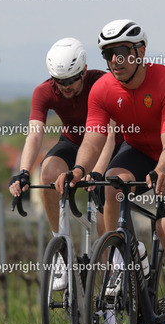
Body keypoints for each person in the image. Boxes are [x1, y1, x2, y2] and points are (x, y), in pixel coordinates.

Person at [55, 20, 165, 324]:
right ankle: (122, 255)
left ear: (140, 51)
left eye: (121, 52)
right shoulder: (103, 89)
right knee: (111, 185)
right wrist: (79, 169)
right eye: (108, 54)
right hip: (137, 151)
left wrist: (161, 170)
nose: (115, 61)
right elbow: (93, 138)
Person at [9, 37, 120, 290]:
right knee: (47, 174)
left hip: (108, 143)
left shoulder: (103, 83)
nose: (66, 87)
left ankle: (116, 272)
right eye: (60, 81)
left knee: (103, 221)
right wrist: (23, 171)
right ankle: (62, 253)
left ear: (84, 71)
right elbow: (35, 134)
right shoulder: (44, 92)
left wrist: (97, 172)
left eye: (71, 80)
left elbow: (112, 134)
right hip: (73, 142)